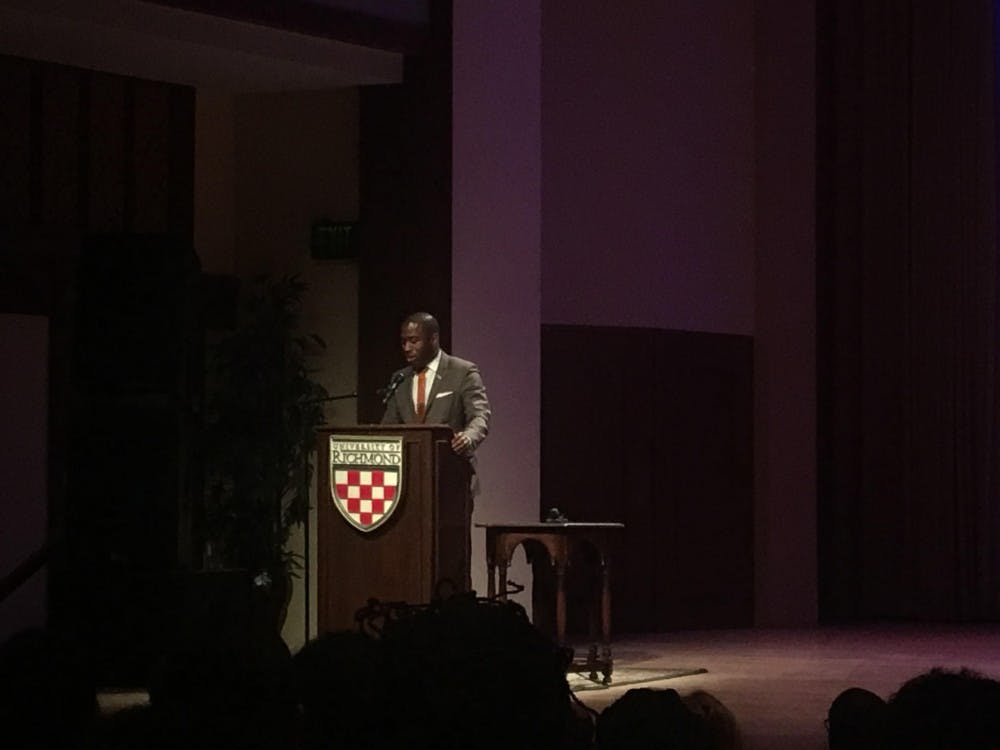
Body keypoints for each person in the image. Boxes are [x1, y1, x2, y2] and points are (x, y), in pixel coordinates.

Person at [381, 312, 491, 484]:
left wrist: (468, 437)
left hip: (451, 473)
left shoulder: (462, 372)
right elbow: (388, 427)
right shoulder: (400, 378)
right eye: (404, 342)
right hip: (408, 477)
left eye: (414, 341)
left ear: (433, 339)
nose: (407, 347)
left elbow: (480, 416)